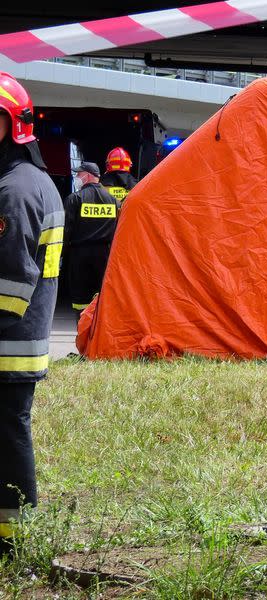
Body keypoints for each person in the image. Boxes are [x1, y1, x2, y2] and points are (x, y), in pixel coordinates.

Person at [0, 72, 63, 554]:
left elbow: (12, 285)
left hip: (7, 343)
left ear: (14, 125)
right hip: (19, 341)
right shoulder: (28, 180)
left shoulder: (16, 190)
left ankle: (13, 540)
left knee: (8, 440)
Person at [64, 162, 119, 313]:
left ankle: (82, 330)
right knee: (102, 297)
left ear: (87, 176)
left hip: (79, 256)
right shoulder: (113, 201)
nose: (76, 177)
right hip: (104, 255)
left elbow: (66, 230)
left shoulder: (75, 199)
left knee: (80, 300)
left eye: (78, 174)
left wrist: (63, 255)